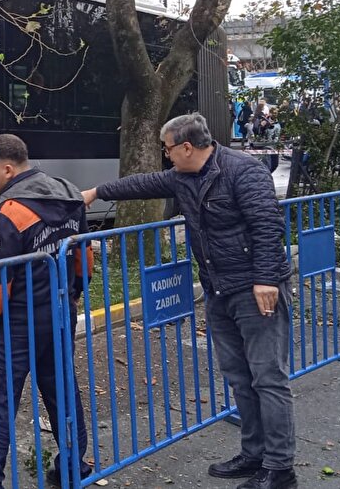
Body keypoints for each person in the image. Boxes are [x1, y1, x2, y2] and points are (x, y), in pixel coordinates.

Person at [80, 114, 296, 489]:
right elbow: (143, 184)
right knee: (239, 379)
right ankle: (253, 454)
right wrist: (97, 193)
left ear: (186, 147)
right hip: (218, 288)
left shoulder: (242, 171)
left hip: (255, 289)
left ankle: (280, 469)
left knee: (267, 378)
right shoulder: (184, 177)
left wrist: (265, 280)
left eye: (167, 149)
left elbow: (267, 225)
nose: (166, 157)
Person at [0, 134, 92, 489]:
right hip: (61, 312)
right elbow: (82, 254)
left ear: (7, 169)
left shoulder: (9, 213)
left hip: (17, 323)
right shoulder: (68, 193)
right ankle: (72, 466)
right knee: (62, 390)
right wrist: (75, 294)